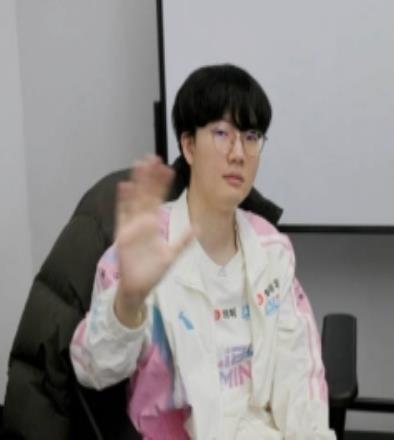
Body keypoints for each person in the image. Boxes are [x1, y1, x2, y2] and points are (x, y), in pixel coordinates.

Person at [70, 64, 335, 439]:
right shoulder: (145, 247)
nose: (239, 153)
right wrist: (128, 300)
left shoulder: (271, 249)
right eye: (222, 133)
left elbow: (300, 376)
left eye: (252, 136)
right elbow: (92, 368)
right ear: (189, 145)